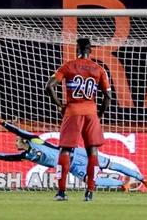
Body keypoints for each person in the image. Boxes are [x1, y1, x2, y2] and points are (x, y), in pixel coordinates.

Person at [0, 113, 147, 192]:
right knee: (93, 181)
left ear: (23, 140)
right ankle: (120, 185)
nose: (15, 141)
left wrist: (1, 122)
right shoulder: (25, 155)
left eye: (18, 140)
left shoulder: (35, 139)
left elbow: (17, 130)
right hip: (72, 166)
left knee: (110, 164)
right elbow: (7, 158)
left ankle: (142, 179)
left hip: (77, 154)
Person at [45, 38, 111, 201]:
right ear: (90, 50)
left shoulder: (67, 66)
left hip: (72, 111)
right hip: (91, 112)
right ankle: (89, 192)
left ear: (77, 49)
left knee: (65, 150)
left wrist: (60, 105)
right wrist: (99, 114)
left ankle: (61, 192)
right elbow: (108, 97)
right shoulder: (99, 69)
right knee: (92, 151)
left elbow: (49, 86)